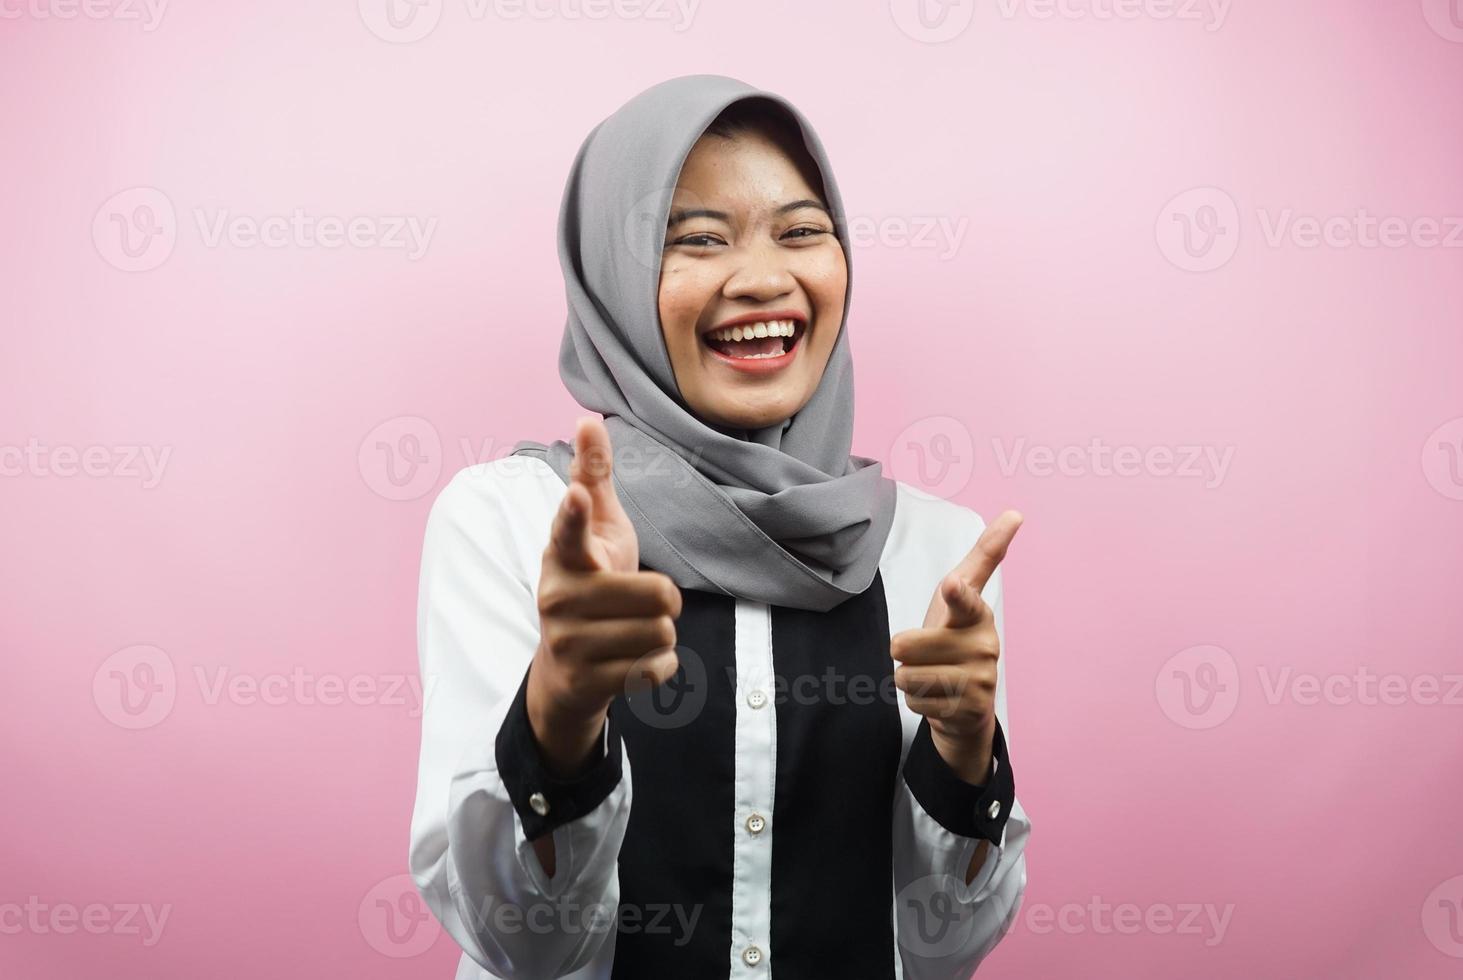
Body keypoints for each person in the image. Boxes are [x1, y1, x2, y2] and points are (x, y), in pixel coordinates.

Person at [409, 73, 1031, 979]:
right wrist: (559, 713)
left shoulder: (935, 553)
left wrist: (966, 753)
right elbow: (521, 948)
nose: (765, 278)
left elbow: (944, 949)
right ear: (612, 278)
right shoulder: (517, 523)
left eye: (802, 232)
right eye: (698, 240)